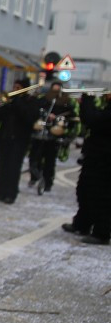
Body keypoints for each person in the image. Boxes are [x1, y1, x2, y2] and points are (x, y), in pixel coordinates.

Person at [62, 92, 111, 245]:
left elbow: (93, 120)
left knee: (101, 196)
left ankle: (101, 232)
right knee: (85, 190)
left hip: (105, 160)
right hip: (97, 156)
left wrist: (88, 100)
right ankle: (82, 223)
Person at [0, 79, 38, 205]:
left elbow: (28, 118)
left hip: (19, 140)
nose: (15, 89)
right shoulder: (8, 100)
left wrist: (17, 101)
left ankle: (11, 193)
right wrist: (0, 102)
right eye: (14, 86)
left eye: (18, 87)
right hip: (5, 138)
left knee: (14, 168)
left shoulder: (30, 102)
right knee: (3, 167)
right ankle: (1, 191)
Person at [28, 81, 79, 195]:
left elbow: (72, 119)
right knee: (34, 157)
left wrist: (61, 123)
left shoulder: (66, 104)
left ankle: (47, 182)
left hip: (54, 137)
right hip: (40, 134)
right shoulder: (43, 101)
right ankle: (35, 177)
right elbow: (34, 111)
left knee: (50, 161)